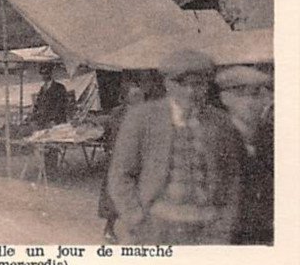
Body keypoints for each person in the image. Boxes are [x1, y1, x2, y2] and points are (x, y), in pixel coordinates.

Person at [108, 50, 244, 245]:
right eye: (181, 83)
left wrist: (224, 226)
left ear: (207, 85)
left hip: (208, 229)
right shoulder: (142, 118)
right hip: (156, 226)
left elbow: (232, 177)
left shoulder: (221, 122)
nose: (190, 91)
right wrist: (135, 218)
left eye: (198, 84)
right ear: (167, 84)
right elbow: (120, 175)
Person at [216, 66, 274, 245]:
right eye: (241, 94)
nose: (250, 102)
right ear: (225, 99)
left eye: (256, 94)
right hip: (229, 233)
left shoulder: (270, 136)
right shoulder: (218, 138)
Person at [97, 79, 145, 243]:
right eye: (135, 95)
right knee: (113, 195)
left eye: (140, 95)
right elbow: (110, 133)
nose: (139, 98)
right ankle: (109, 229)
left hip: (139, 161)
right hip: (119, 160)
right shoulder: (118, 113)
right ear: (126, 97)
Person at [31, 63, 70, 174]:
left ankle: (52, 169)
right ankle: (47, 169)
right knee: (45, 144)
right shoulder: (42, 89)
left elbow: (61, 105)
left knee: (53, 145)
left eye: (46, 73)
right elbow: (38, 105)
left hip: (55, 121)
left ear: (50, 74)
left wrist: (53, 120)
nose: (44, 76)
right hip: (44, 121)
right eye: (42, 74)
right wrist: (34, 116)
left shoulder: (59, 88)